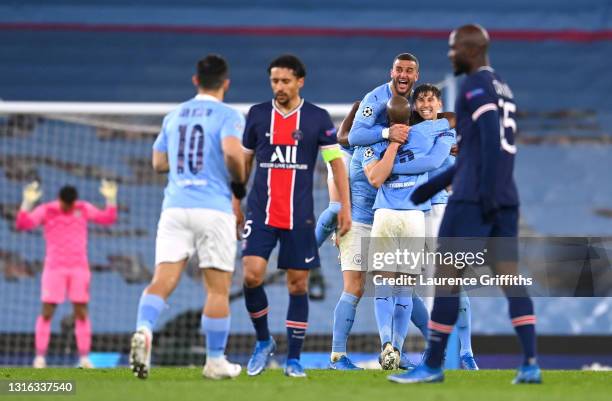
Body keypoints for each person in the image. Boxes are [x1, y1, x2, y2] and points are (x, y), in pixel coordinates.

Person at [389, 24, 541, 384]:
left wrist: (482, 199)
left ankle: (432, 366)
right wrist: (432, 188)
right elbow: (474, 154)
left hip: (474, 200)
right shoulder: (503, 87)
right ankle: (531, 362)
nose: (450, 54)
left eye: (454, 48)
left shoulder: (474, 87)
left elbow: (487, 142)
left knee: (445, 278)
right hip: (505, 197)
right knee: (509, 278)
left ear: (471, 49)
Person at [129, 54, 247, 380]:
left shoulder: (174, 115)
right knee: (217, 289)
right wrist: (237, 183)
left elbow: (157, 162)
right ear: (226, 83)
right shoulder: (228, 115)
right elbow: (233, 153)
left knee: (163, 279)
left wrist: (182, 166)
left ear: (195, 81)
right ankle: (214, 361)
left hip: (175, 208)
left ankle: (143, 329)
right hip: (213, 208)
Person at [241, 54, 351, 378]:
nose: (279, 87)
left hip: (299, 215)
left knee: (298, 285)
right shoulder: (258, 115)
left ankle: (294, 360)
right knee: (250, 275)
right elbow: (246, 162)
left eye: (285, 81)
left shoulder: (317, 118)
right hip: (261, 211)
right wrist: (236, 200)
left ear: (300, 81)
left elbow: (336, 164)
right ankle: (263, 341)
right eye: (274, 80)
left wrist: (343, 206)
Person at [363, 95, 454, 369]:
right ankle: (395, 348)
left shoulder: (375, 142)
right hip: (413, 215)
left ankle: (388, 346)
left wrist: (391, 166)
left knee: (385, 283)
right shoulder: (426, 134)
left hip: (388, 215)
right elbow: (435, 157)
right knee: (403, 285)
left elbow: (379, 173)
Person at [16, 180, 118, 369]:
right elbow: (22, 224)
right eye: (65, 204)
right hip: (54, 269)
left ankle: (84, 358)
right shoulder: (47, 210)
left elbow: (108, 219)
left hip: (79, 269)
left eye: (70, 205)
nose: (68, 207)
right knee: (47, 312)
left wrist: (111, 200)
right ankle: (39, 357)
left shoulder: (83, 208)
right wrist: (27, 203)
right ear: (59, 200)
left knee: (81, 312)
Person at [411, 83, 478, 370]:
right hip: (411, 212)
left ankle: (465, 352)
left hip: (440, 210)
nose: (426, 104)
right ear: (415, 106)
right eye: (421, 100)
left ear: (439, 104)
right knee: (405, 284)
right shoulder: (409, 131)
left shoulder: (451, 132)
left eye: (431, 99)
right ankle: (432, 348)